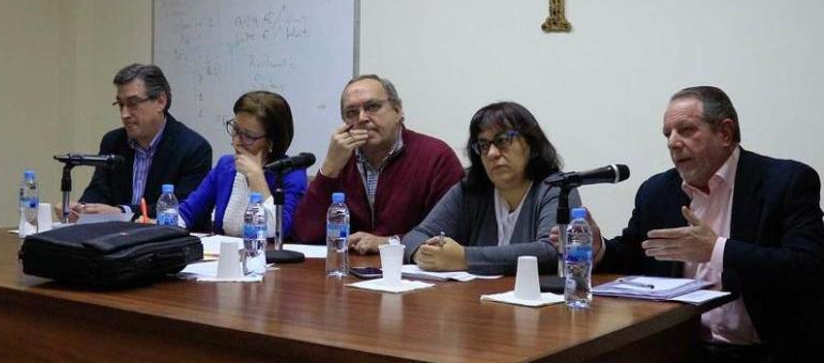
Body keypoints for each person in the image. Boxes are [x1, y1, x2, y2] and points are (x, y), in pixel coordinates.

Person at [554, 86, 824, 361]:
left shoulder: (785, 182)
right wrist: (599, 248)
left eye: (686, 130)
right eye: (667, 134)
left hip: (767, 351)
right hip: (679, 348)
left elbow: (808, 266)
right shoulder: (657, 191)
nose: (672, 142)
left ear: (725, 133)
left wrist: (716, 250)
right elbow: (636, 253)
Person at [292, 74, 464, 254]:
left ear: (397, 110)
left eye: (372, 107)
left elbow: (452, 234)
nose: (362, 118)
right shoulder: (341, 159)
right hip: (351, 271)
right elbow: (305, 235)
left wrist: (390, 243)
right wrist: (329, 169)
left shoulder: (435, 156)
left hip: (413, 274)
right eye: (351, 112)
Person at [403, 102, 580, 275]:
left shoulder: (558, 188)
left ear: (532, 145)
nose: (492, 153)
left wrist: (465, 258)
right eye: (484, 145)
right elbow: (415, 236)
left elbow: (552, 251)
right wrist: (425, 253)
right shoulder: (469, 191)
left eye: (502, 141)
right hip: (475, 298)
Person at [74, 64, 212, 220]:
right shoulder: (113, 141)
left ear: (160, 101)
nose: (125, 114)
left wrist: (123, 212)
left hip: (163, 240)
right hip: (115, 239)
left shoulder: (194, 148)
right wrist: (81, 209)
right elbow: (99, 191)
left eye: (133, 104)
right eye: (120, 105)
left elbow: (182, 208)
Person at [177, 91, 307, 237]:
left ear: (271, 143)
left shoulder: (291, 175)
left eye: (248, 136)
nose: (237, 141)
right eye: (235, 130)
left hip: (268, 258)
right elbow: (187, 213)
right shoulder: (226, 166)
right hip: (224, 256)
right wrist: (159, 226)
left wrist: (257, 179)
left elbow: (277, 232)